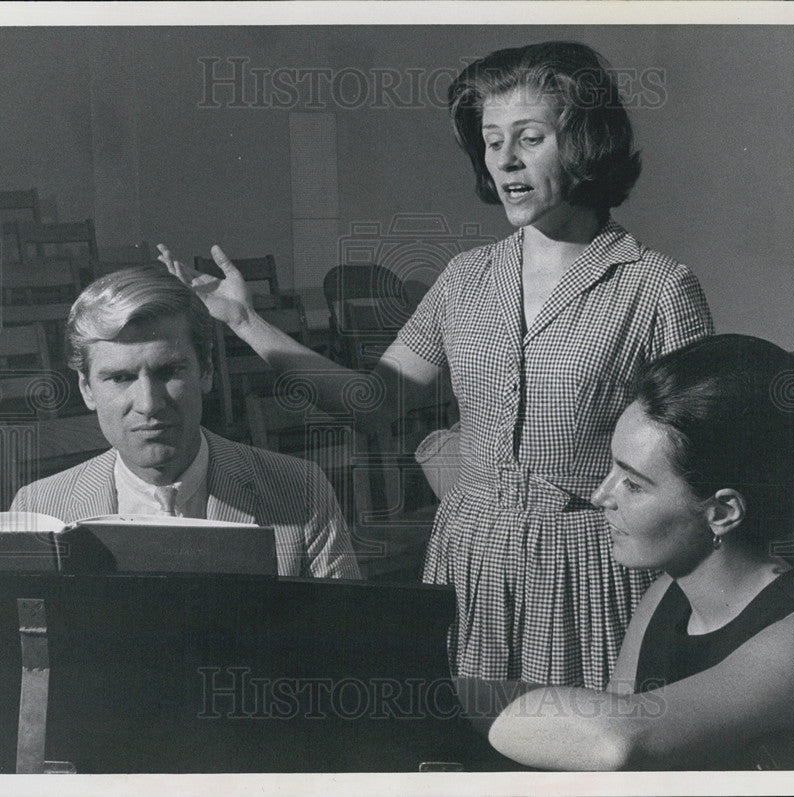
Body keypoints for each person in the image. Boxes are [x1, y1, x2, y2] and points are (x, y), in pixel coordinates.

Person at [158, 41, 713, 688]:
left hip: (595, 570)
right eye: (491, 140)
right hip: (468, 562)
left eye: (530, 138)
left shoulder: (658, 287)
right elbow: (371, 405)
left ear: (586, 143)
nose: (504, 159)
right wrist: (243, 321)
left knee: (584, 760)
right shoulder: (464, 279)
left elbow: (700, 460)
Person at [484, 335, 794, 770]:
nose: (599, 495)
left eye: (634, 483)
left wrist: (454, 697)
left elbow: (615, 742)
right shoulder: (666, 594)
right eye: (612, 470)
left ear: (721, 512)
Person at [10, 265, 361, 580]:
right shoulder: (39, 509)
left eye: (169, 372)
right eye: (119, 378)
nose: (149, 404)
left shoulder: (301, 491)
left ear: (206, 371)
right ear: (87, 389)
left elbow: (344, 645)